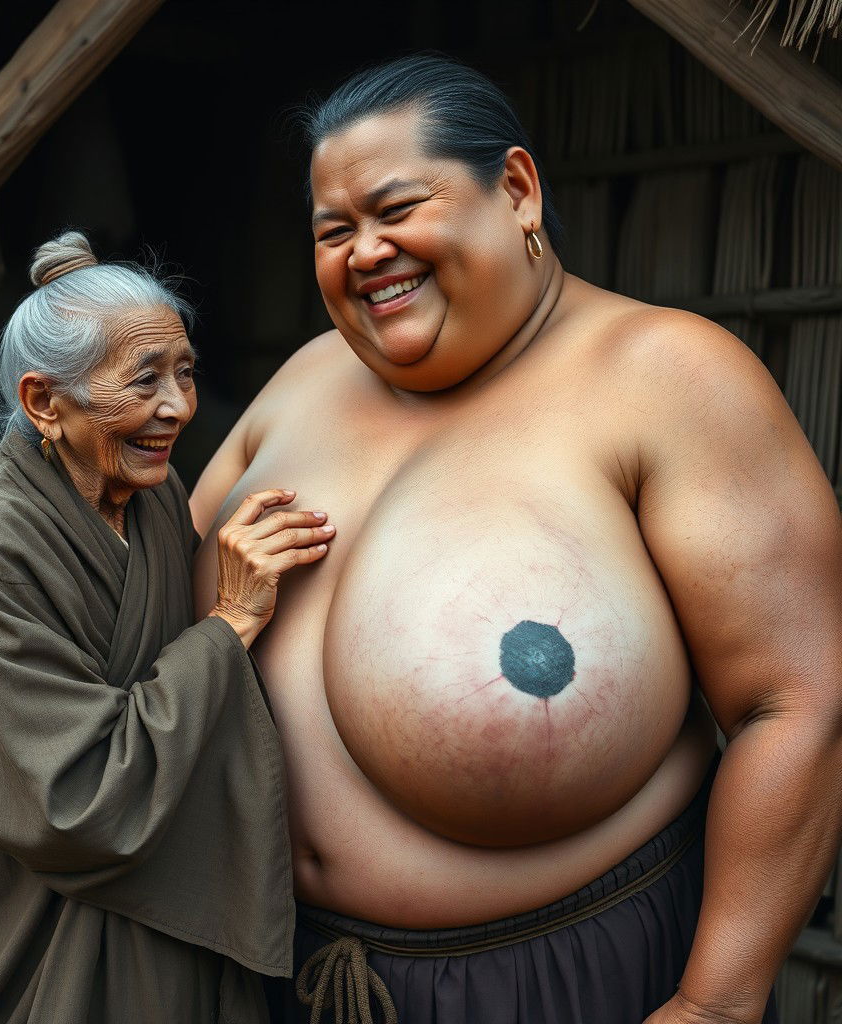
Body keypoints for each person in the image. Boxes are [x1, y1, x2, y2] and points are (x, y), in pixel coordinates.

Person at [190, 55, 842, 1024]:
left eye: (395, 208)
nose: (364, 251)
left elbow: (796, 700)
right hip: (270, 973)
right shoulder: (297, 384)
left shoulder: (666, 377)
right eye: (334, 230)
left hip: (560, 979)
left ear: (517, 190)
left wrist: (715, 1001)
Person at [0, 231, 336, 1023]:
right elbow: (79, 798)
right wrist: (229, 622)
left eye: (185, 372)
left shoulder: (151, 493)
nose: (177, 407)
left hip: (169, 928)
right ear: (44, 403)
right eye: (145, 380)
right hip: (44, 947)